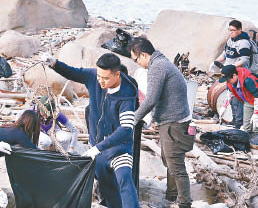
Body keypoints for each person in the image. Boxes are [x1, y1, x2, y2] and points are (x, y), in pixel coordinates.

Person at [42, 52, 140, 208]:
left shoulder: (127, 94)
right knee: (107, 190)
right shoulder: (94, 76)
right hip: (97, 145)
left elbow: (126, 130)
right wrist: (54, 62)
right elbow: (72, 72)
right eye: (99, 76)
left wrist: (97, 148)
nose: (100, 80)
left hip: (118, 148)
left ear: (117, 74)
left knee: (124, 180)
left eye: (105, 78)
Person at [131, 37, 194, 208]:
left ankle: (184, 203)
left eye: (136, 59)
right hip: (174, 119)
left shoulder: (157, 67)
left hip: (174, 123)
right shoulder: (162, 62)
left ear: (143, 55)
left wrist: (135, 118)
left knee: (175, 164)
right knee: (169, 160)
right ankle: (172, 196)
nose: (137, 63)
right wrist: (151, 119)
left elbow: (151, 99)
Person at [210, 20, 252, 129]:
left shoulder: (243, 43)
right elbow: (225, 54)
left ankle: (239, 122)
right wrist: (215, 62)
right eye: (230, 30)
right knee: (231, 96)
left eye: (233, 30)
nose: (231, 32)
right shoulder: (231, 40)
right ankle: (234, 120)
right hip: (228, 72)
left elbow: (245, 59)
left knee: (238, 97)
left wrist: (232, 68)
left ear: (239, 30)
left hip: (237, 74)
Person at [219, 65, 258, 135]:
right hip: (248, 102)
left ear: (234, 75)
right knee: (247, 127)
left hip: (256, 100)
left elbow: (257, 95)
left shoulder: (248, 80)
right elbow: (229, 95)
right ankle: (249, 139)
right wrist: (224, 107)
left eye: (228, 79)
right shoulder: (230, 83)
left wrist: (256, 113)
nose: (227, 82)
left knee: (256, 125)